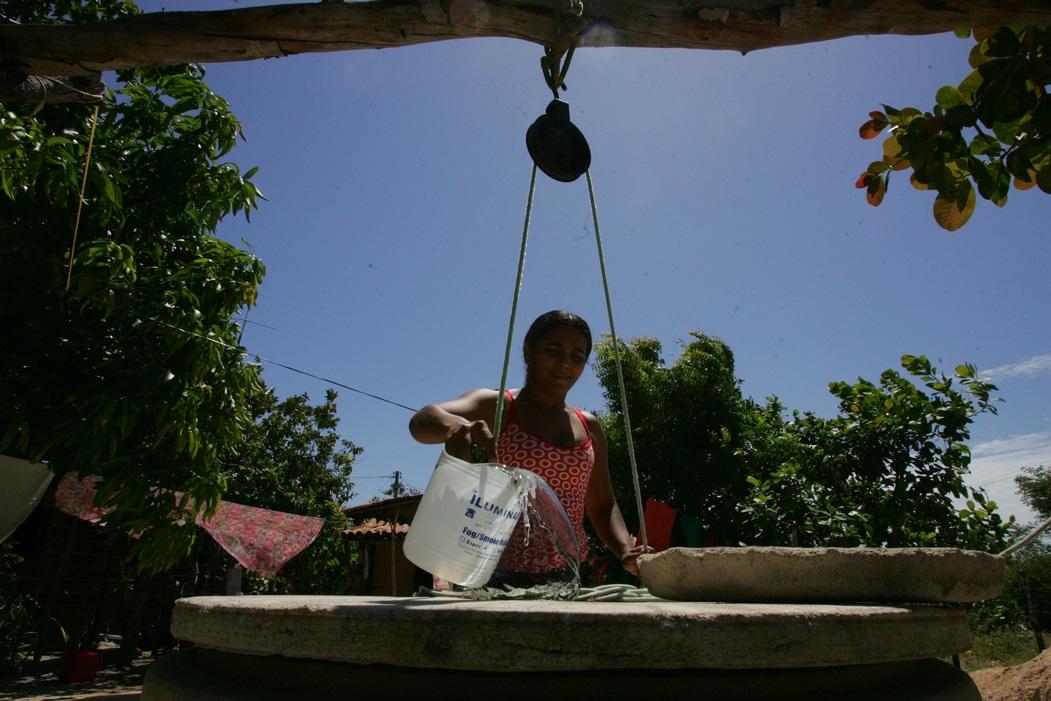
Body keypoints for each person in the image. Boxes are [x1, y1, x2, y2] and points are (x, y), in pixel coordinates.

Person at [409, 310, 646, 584]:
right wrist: (455, 427)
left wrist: (626, 550)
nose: (564, 363)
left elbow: (603, 504)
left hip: (571, 575)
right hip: (493, 575)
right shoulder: (499, 406)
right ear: (528, 351)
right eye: (553, 350)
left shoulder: (589, 425)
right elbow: (422, 421)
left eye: (576, 356)